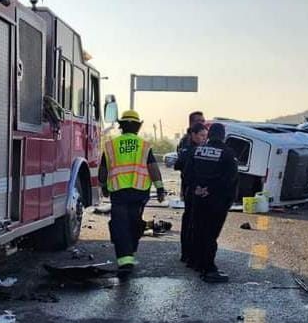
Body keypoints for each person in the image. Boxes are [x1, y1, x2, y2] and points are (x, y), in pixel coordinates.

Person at [98, 110, 166, 275]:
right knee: (134, 222)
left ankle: (125, 259)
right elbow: (153, 168)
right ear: (137, 127)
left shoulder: (110, 145)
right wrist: (160, 188)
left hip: (118, 192)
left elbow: (103, 170)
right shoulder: (144, 145)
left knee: (120, 224)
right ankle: (130, 252)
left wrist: (104, 187)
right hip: (139, 192)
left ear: (121, 127)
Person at [184, 123, 238, 282]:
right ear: (223, 136)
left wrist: (198, 188)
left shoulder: (197, 151)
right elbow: (229, 179)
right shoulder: (228, 154)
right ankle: (209, 270)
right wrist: (211, 190)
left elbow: (187, 174)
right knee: (210, 234)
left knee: (198, 230)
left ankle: (196, 262)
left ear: (209, 135)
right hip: (216, 202)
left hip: (197, 198)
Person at [174, 122, 208, 265]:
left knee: (191, 221)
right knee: (191, 222)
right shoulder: (189, 150)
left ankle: (188, 254)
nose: (204, 139)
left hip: (192, 189)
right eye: (201, 135)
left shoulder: (195, 149)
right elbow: (180, 167)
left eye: (206, 136)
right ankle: (188, 254)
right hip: (192, 190)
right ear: (193, 135)